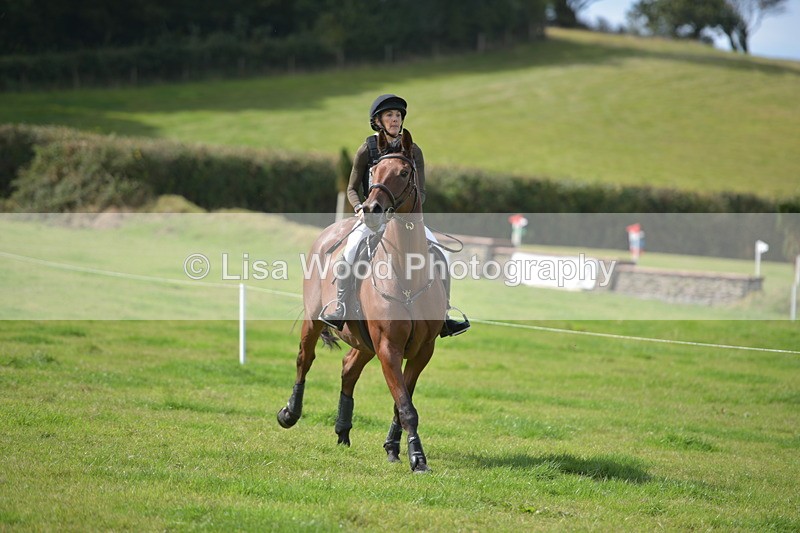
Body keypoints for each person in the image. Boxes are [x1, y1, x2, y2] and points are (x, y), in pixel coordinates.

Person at [319, 93, 470, 338]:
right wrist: (360, 208)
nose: (395, 119)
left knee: (442, 254)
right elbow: (350, 189)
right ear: (378, 120)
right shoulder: (367, 149)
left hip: (405, 219)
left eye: (398, 115)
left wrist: (402, 210)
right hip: (372, 216)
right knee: (350, 251)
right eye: (389, 115)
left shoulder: (414, 151)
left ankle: (444, 314)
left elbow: (421, 192)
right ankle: (340, 307)